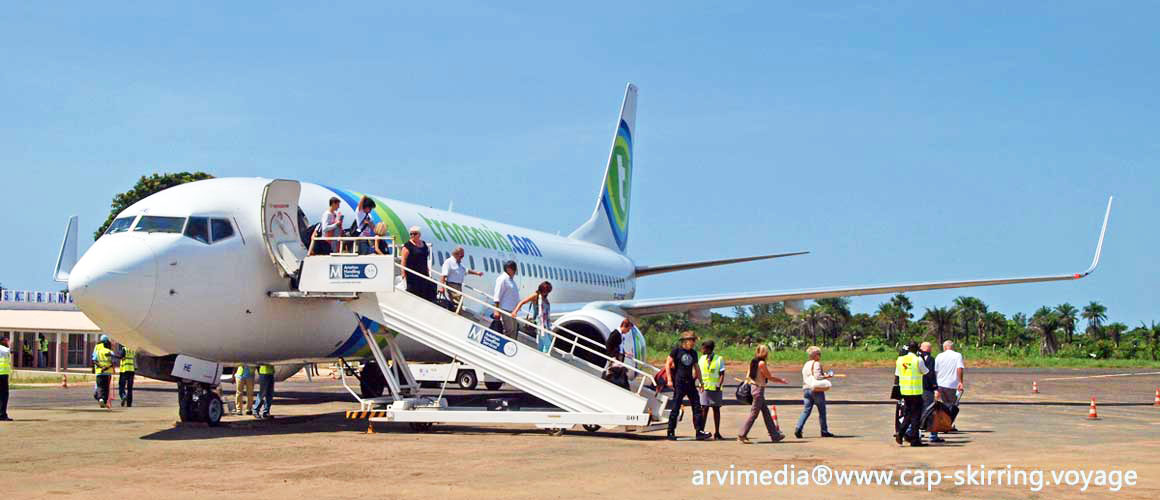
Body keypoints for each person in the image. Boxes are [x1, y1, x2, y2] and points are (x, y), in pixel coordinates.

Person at [665, 331, 711, 441]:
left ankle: (699, 431)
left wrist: (701, 382)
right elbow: (667, 364)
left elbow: (697, 368)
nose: (694, 343)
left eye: (694, 341)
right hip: (679, 382)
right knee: (675, 407)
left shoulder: (693, 353)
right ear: (686, 341)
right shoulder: (676, 351)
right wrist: (670, 379)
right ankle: (670, 431)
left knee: (697, 407)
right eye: (692, 340)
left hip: (690, 382)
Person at [738, 344, 788, 444]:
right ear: (765, 353)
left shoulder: (753, 361)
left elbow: (748, 376)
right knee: (754, 414)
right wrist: (781, 380)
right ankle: (742, 434)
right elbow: (769, 377)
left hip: (754, 388)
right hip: (758, 390)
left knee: (766, 413)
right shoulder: (761, 363)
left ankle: (775, 435)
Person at [794, 346, 835, 439]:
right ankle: (824, 431)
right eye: (819, 354)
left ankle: (798, 428)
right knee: (822, 411)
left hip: (806, 389)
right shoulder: (816, 364)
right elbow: (817, 377)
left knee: (806, 410)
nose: (820, 356)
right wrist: (827, 376)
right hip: (815, 389)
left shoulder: (806, 364)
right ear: (815, 355)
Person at [895, 341, 929, 447]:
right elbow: (926, 372)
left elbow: (897, 375)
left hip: (905, 391)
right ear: (917, 349)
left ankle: (901, 434)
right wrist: (922, 357)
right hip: (915, 392)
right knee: (915, 416)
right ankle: (914, 440)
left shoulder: (900, 360)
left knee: (908, 414)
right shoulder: (918, 360)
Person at [512, 281, 553, 352]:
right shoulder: (536, 295)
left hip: (546, 325)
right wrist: (515, 311)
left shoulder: (544, 298)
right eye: (546, 291)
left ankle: (540, 357)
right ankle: (544, 357)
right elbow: (522, 302)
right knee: (548, 344)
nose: (547, 293)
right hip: (540, 324)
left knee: (542, 344)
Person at [934, 340, 965, 431]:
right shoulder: (957, 355)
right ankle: (947, 425)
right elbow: (959, 369)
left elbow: (935, 370)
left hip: (940, 384)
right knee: (951, 405)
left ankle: (942, 424)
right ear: (952, 347)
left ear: (944, 347)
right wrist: (960, 382)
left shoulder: (939, 356)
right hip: (952, 384)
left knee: (942, 405)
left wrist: (935, 383)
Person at [400, 226, 437, 302]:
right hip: (412, 274)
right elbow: (403, 260)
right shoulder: (407, 246)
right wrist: (403, 273)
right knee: (414, 292)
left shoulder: (423, 244)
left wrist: (427, 269)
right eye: (411, 234)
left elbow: (425, 258)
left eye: (415, 233)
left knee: (425, 292)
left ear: (419, 234)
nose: (412, 235)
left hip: (423, 273)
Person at [698, 340, 726, 440]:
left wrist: (719, 383)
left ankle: (717, 433)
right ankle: (701, 431)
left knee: (716, 409)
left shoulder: (719, 359)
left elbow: (722, 374)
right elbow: (697, 372)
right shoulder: (701, 359)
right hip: (704, 387)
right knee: (704, 409)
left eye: (703, 348)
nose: (702, 350)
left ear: (708, 349)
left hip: (715, 388)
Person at [918, 341, 941, 442]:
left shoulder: (915, 358)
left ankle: (916, 432)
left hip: (916, 388)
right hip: (927, 389)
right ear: (929, 349)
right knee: (931, 411)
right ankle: (933, 435)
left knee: (916, 411)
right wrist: (935, 388)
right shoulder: (931, 359)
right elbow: (931, 374)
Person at [492, 261, 520, 338]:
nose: (515, 271)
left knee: (514, 329)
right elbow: (497, 295)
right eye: (514, 269)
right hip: (505, 309)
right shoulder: (502, 279)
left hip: (512, 310)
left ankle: (511, 345)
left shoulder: (510, 280)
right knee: (509, 329)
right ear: (508, 269)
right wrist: (496, 310)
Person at [92, 335, 116, 408]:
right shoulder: (109, 351)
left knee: (99, 386)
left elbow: (94, 359)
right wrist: (107, 367)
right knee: (106, 388)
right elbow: (113, 361)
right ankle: (103, 400)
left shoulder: (97, 348)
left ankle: (99, 397)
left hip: (99, 371)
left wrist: (96, 368)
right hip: (107, 372)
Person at [0, 336, 11, 421]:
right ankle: (2, 415)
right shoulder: (2, 348)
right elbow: (10, 351)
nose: (7, 341)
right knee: (4, 395)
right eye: (6, 340)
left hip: (3, 373)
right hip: (2, 374)